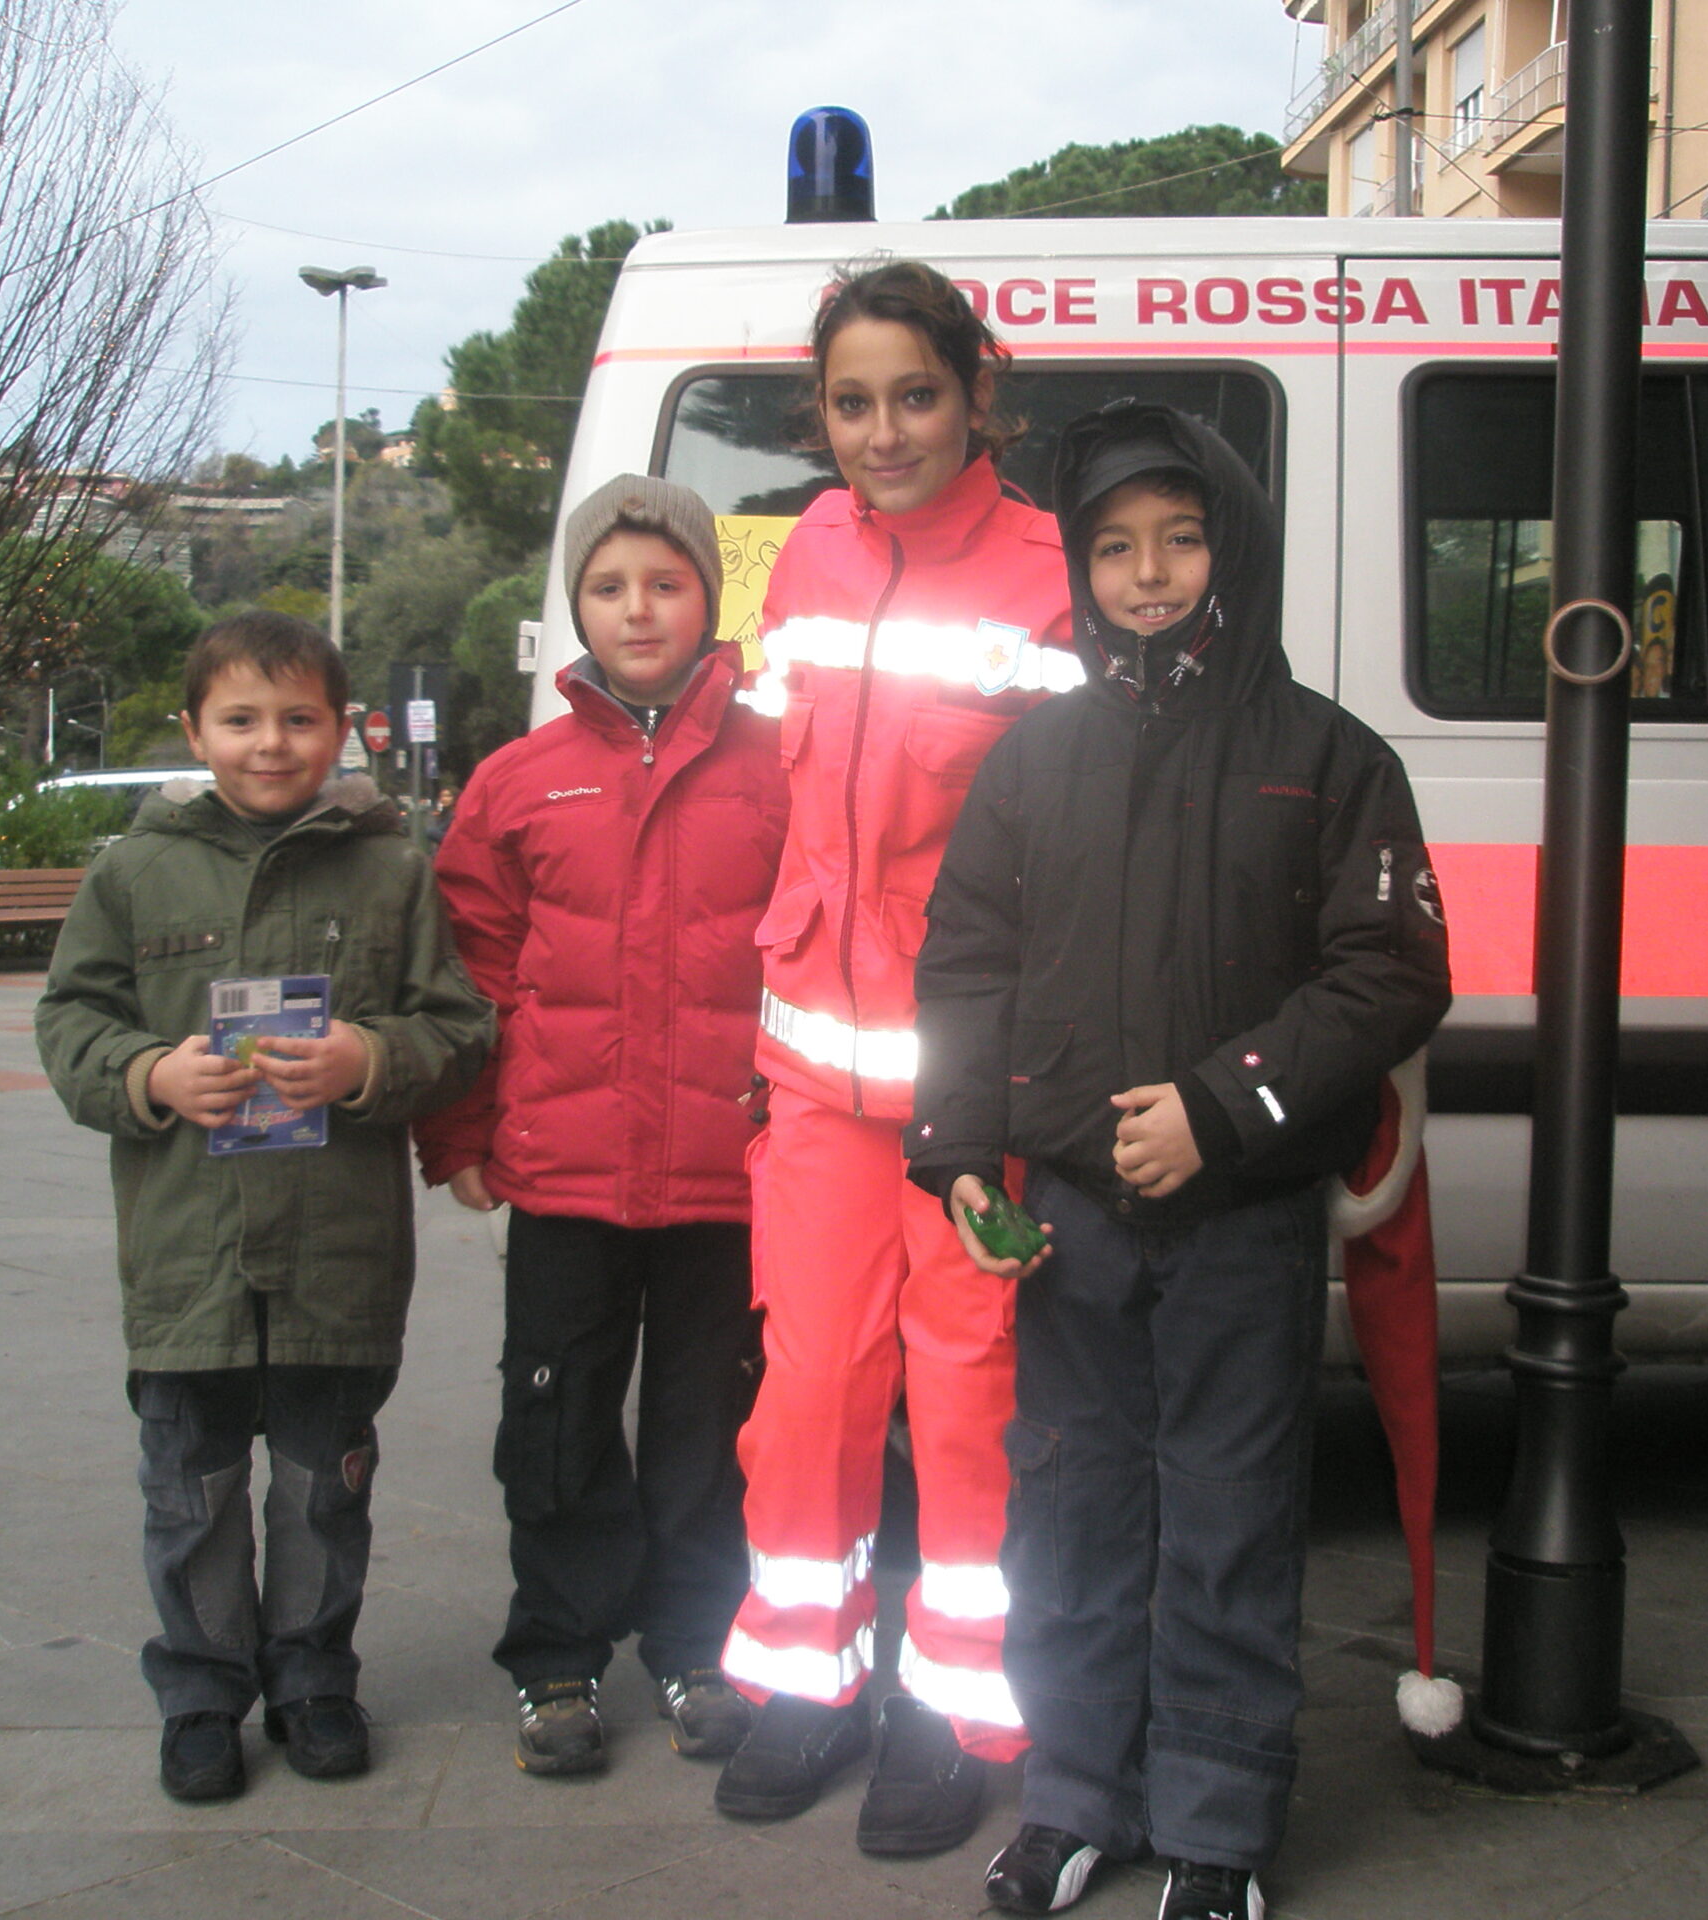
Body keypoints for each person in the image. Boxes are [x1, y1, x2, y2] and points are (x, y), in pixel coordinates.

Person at [908, 402, 1453, 1920]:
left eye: (1182, 538)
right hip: (1071, 1220)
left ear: (1236, 549)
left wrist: (1222, 1106)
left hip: (1244, 1219)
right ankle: (1075, 1798)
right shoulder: (1033, 760)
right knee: (1069, 1514)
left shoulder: (1328, 756)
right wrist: (960, 1155)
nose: (1147, 574)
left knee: (1229, 1516)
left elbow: (1393, 970)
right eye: (1114, 548)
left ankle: (1217, 1829)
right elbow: (966, 965)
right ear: (1081, 571)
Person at [715, 259, 1077, 1856]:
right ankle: (810, 1677)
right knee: (807, 1395)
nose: (885, 431)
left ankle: (956, 1708)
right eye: (852, 403)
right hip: (814, 1079)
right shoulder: (801, 551)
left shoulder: (1055, 575)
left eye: (916, 395)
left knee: (972, 1401)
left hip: (978, 1097)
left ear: (978, 391)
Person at [36, 611, 495, 1806]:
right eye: (240, 719)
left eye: (299, 718)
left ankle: (312, 1677)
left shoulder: (391, 869)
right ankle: (201, 1692)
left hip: (337, 1253)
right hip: (186, 1252)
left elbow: (457, 1026)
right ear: (194, 731)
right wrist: (150, 1076)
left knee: (321, 1484)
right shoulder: (134, 871)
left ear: (342, 729)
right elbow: (71, 1021)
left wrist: (367, 1058)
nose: (271, 742)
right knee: (187, 1490)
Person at [415, 475, 788, 1778]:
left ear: (709, 600)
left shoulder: (779, 767)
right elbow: (472, 972)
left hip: (727, 1179)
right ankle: (557, 1655)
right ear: (576, 604)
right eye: (610, 585)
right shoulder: (517, 783)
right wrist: (460, 1134)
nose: (639, 608)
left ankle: (697, 1644)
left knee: (708, 1432)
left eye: (666, 582)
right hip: (564, 1179)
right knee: (556, 1423)